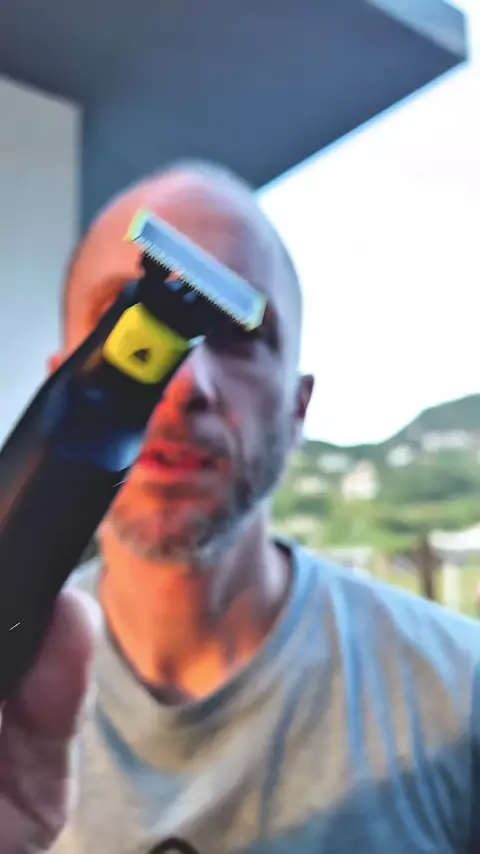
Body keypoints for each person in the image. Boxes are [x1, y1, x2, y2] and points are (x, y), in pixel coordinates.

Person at [3, 160, 480, 854]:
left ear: (298, 407)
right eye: (130, 321)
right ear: (60, 378)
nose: (183, 381)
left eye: (238, 334)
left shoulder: (462, 696)